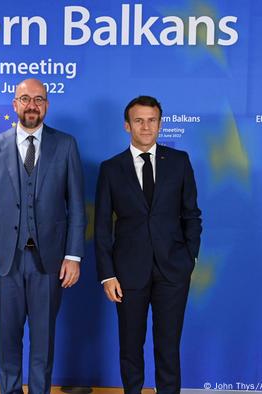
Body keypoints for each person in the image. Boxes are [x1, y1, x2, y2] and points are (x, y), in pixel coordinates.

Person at [0, 78, 85, 394]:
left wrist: (73, 255)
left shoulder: (66, 145)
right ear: (15, 105)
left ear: (46, 105)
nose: (32, 105)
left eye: (38, 99)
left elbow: (76, 205)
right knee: (7, 339)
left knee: (43, 341)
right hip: (4, 260)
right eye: (25, 99)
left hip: (49, 262)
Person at [94, 96, 202, 394]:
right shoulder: (111, 168)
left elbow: (191, 214)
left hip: (172, 271)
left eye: (151, 120)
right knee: (130, 346)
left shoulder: (179, 162)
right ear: (127, 125)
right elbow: (102, 226)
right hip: (127, 273)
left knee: (168, 347)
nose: (146, 126)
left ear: (160, 123)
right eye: (139, 120)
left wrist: (189, 258)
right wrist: (107, 274)